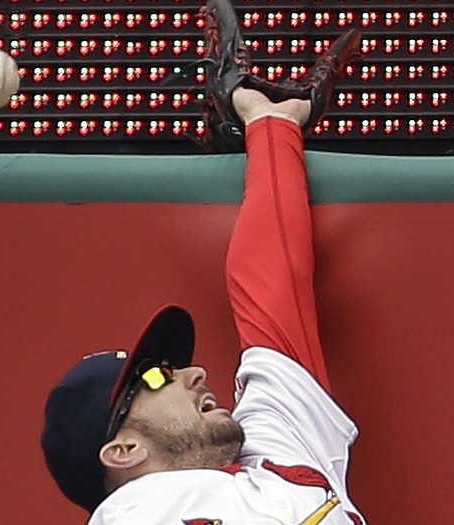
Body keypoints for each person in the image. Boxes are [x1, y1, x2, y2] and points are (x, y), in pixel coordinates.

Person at [42, 1, 365, 523]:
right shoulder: (133, 511)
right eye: (153, 379)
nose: (193, 373)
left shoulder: (281, 462)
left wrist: (271, 126)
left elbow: (276, 302)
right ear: (122, 452)